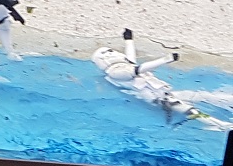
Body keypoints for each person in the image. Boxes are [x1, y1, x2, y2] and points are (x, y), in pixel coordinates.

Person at [91, 28, 233, 129]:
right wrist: (166, 59)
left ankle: (226, 100)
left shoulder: (123, 66)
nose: (113, 53)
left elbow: (131, 58)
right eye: (108, 53)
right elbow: (138, 69)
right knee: (189, 110)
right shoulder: (115, 72)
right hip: (159, 99)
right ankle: (219, 125)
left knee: (199, 96)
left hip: (163, 93)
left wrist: (129, 40)